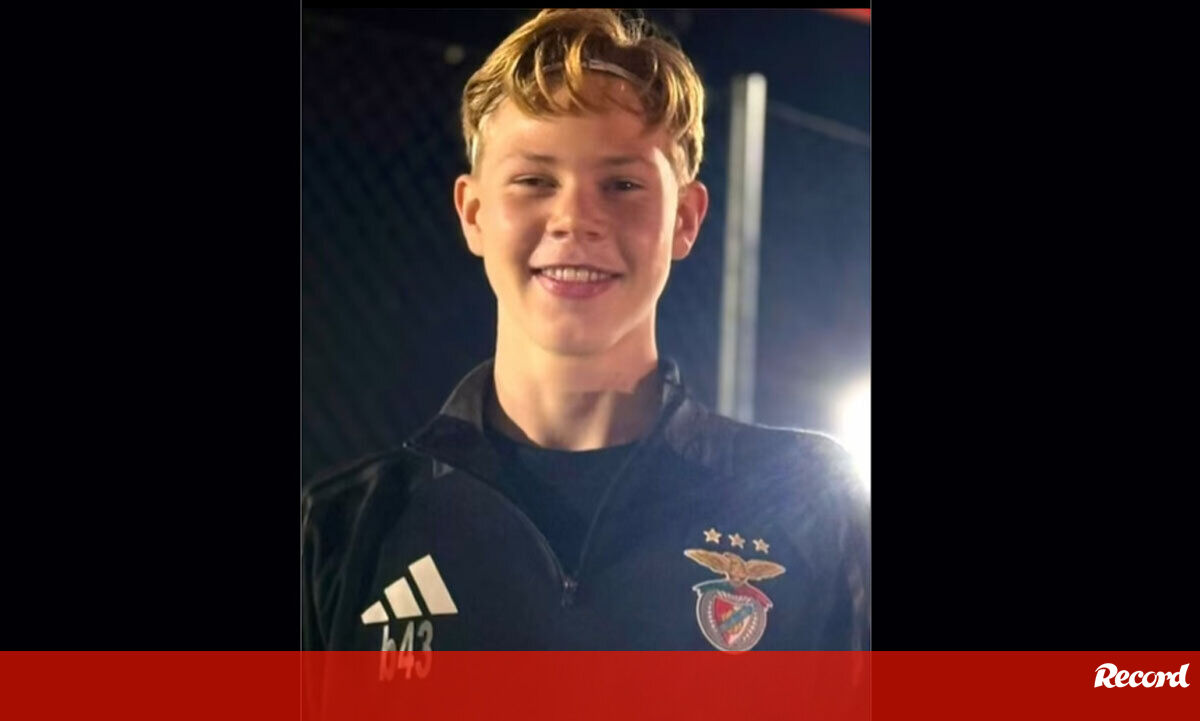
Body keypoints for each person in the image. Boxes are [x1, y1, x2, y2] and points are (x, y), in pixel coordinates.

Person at [302, 8, 869, 654]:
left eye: (622, 183)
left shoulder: (810, 510)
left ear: (685, 218)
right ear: (474, 212)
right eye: (534, 181)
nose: (574, 217)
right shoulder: (345, 532)